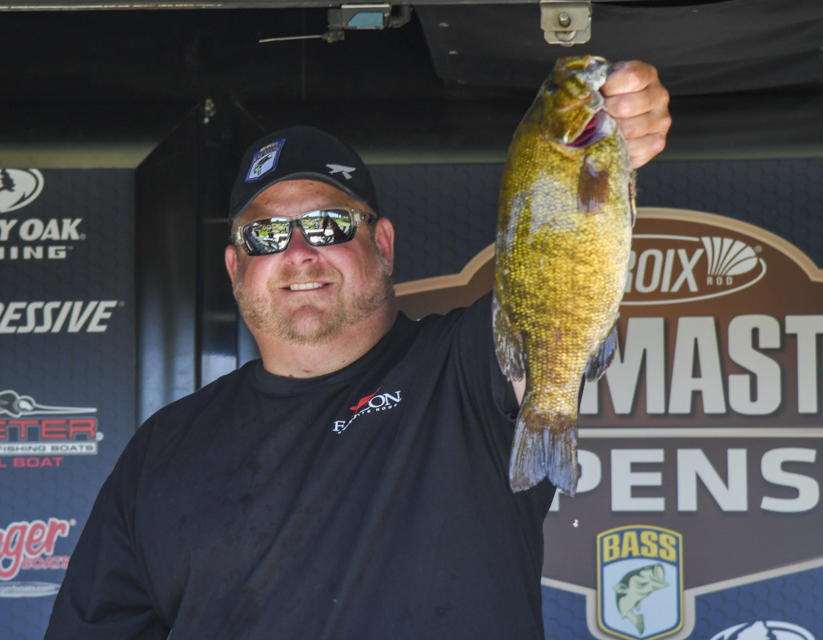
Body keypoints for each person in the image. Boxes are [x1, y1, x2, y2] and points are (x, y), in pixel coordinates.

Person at [45, 61, 670, 639]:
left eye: (329, 225)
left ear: (383, 246)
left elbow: (559, 265)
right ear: (236, 268)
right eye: (266, 235)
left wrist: (610, 139)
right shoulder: (161, 450)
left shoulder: (463, 370)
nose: (298, 253)